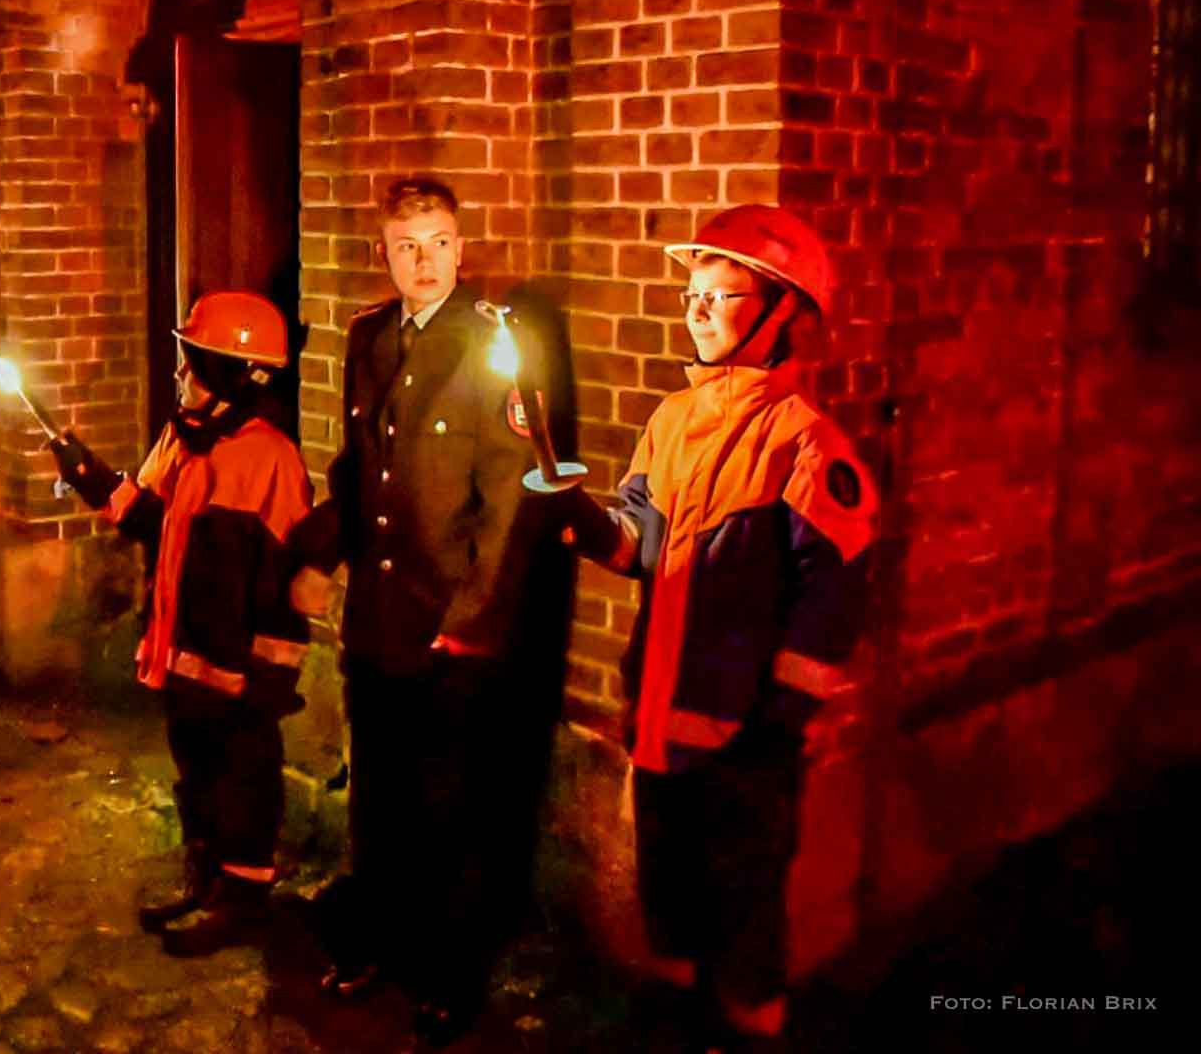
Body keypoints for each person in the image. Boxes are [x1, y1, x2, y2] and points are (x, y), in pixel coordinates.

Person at [543, 204, 879, 1051]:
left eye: (719, 296)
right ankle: (677, 1026)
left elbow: (832, 603)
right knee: (671, 906)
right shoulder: (671, 423)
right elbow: (640, 545)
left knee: (744, 925)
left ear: (783, 314)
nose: (694, 309)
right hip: (663, 731)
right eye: (690, 293)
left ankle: (748, 1035)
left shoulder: (806, 446)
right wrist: (577, 516)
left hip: (745, 749)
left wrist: (774, 729)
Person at [283, 176, 563, 1045]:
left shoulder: (495, 343)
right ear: (385, 254)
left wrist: (471, 621)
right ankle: (379, 943)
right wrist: (320, 556)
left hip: (449, 623)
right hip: (379, 615)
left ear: (460, 247)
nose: (425, 261)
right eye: (407, 246)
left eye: (440, 241)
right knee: (381, 798)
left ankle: (448, 974)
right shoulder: (368, 337)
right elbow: (359, 466)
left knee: (452, 811)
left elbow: (511, 499)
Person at [46, 291, 312, 957]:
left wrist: (273, 674)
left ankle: (242, 901)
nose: (179, 374)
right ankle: (206, 880)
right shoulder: (184, 438)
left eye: (193, 363)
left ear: (234, 374)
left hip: (238, 671)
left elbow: (286, 580)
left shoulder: (271, 460)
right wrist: (90, 475)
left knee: (243, 781)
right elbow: (151, 521)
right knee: (195, 773)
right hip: (183, 650)